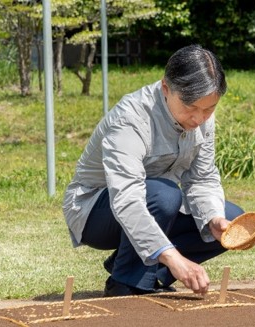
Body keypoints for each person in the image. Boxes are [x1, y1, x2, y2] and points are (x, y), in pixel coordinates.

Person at [62, 44, 244, 297]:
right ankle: (126, 282)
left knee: (231, 219)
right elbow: (127, 199)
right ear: (166, 88)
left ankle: (151, 273)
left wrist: (213, 218)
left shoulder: (201, 117)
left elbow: (201, 179)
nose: (200, 118)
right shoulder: (131, 119)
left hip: (157, 202)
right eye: (191, 108)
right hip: (95, 210)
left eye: (209, 108)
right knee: (165, 195)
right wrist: (174, 258)